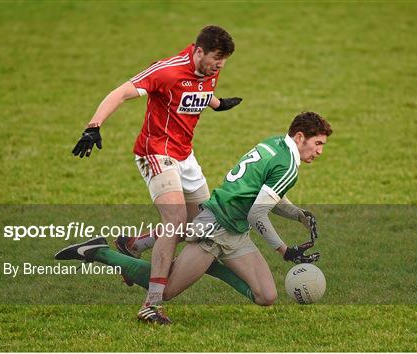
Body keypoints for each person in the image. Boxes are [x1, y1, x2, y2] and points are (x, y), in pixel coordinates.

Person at [58, 112, 332, 324]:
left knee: (266, 296)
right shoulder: (288, 166)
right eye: (317, 143)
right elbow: (257, 212)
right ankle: (99, 251)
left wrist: (298, 215)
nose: (319, 151)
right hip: (213, 231)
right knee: (165, 290)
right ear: (299, 137)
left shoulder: (275, 144)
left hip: (235, 232)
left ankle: (197, 261)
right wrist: (284, 251)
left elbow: (268, 197)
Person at [70, 26, 242, 317]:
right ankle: (151, 304)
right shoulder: (167, 71)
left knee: (201, 229)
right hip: (156, 151)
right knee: (174, 221)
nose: (220, 65)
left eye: (224, 60)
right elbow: (122, 92)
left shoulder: (210, 70)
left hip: (186, 156)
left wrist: (217, 103)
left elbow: (199, 90)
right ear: (198, 51)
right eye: (216, 58)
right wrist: (93, 125)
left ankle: (133, 244)